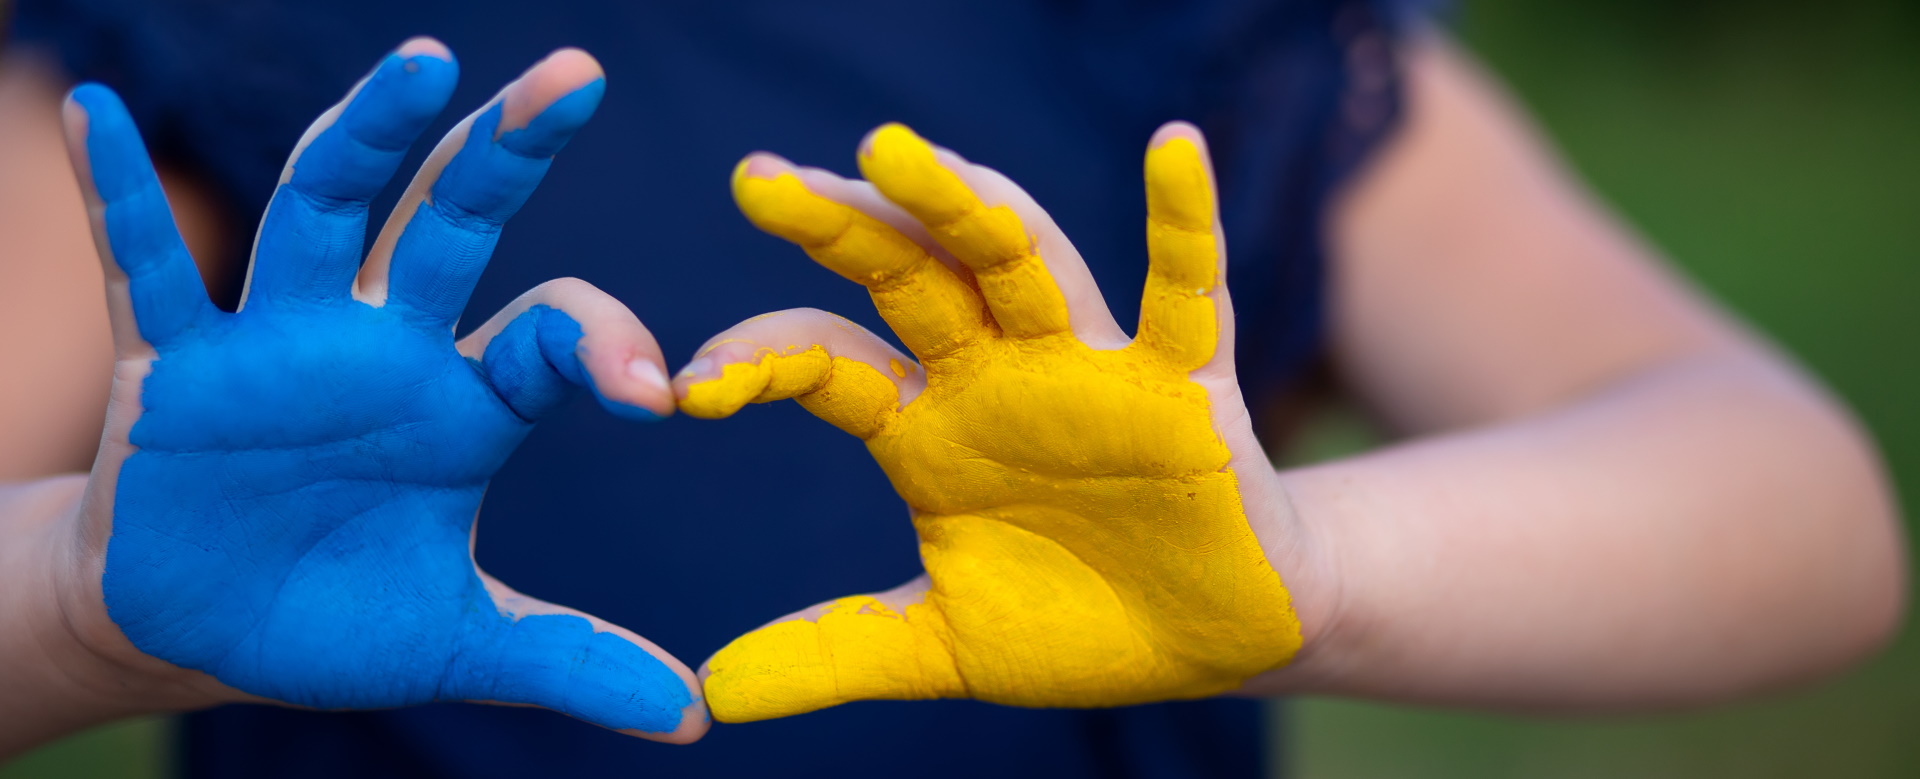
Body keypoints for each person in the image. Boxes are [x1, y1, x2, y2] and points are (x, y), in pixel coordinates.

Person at [0, 2, 1904, 778]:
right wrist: (82, 602)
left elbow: (1800, 510)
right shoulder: (232, 28)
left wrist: (1314, 560)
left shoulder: (1177, 24)